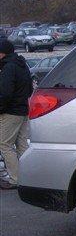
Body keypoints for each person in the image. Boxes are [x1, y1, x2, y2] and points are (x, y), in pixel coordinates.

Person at [0, 39, 32, 190]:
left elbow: (4, 93)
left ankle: (15, 178)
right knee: (22, 145)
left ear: (2, 53)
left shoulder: (8, 67)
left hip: (10, 112)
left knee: (4, 144)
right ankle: (29, 176)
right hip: (23, 110)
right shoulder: (22, 65)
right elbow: (30, 89)